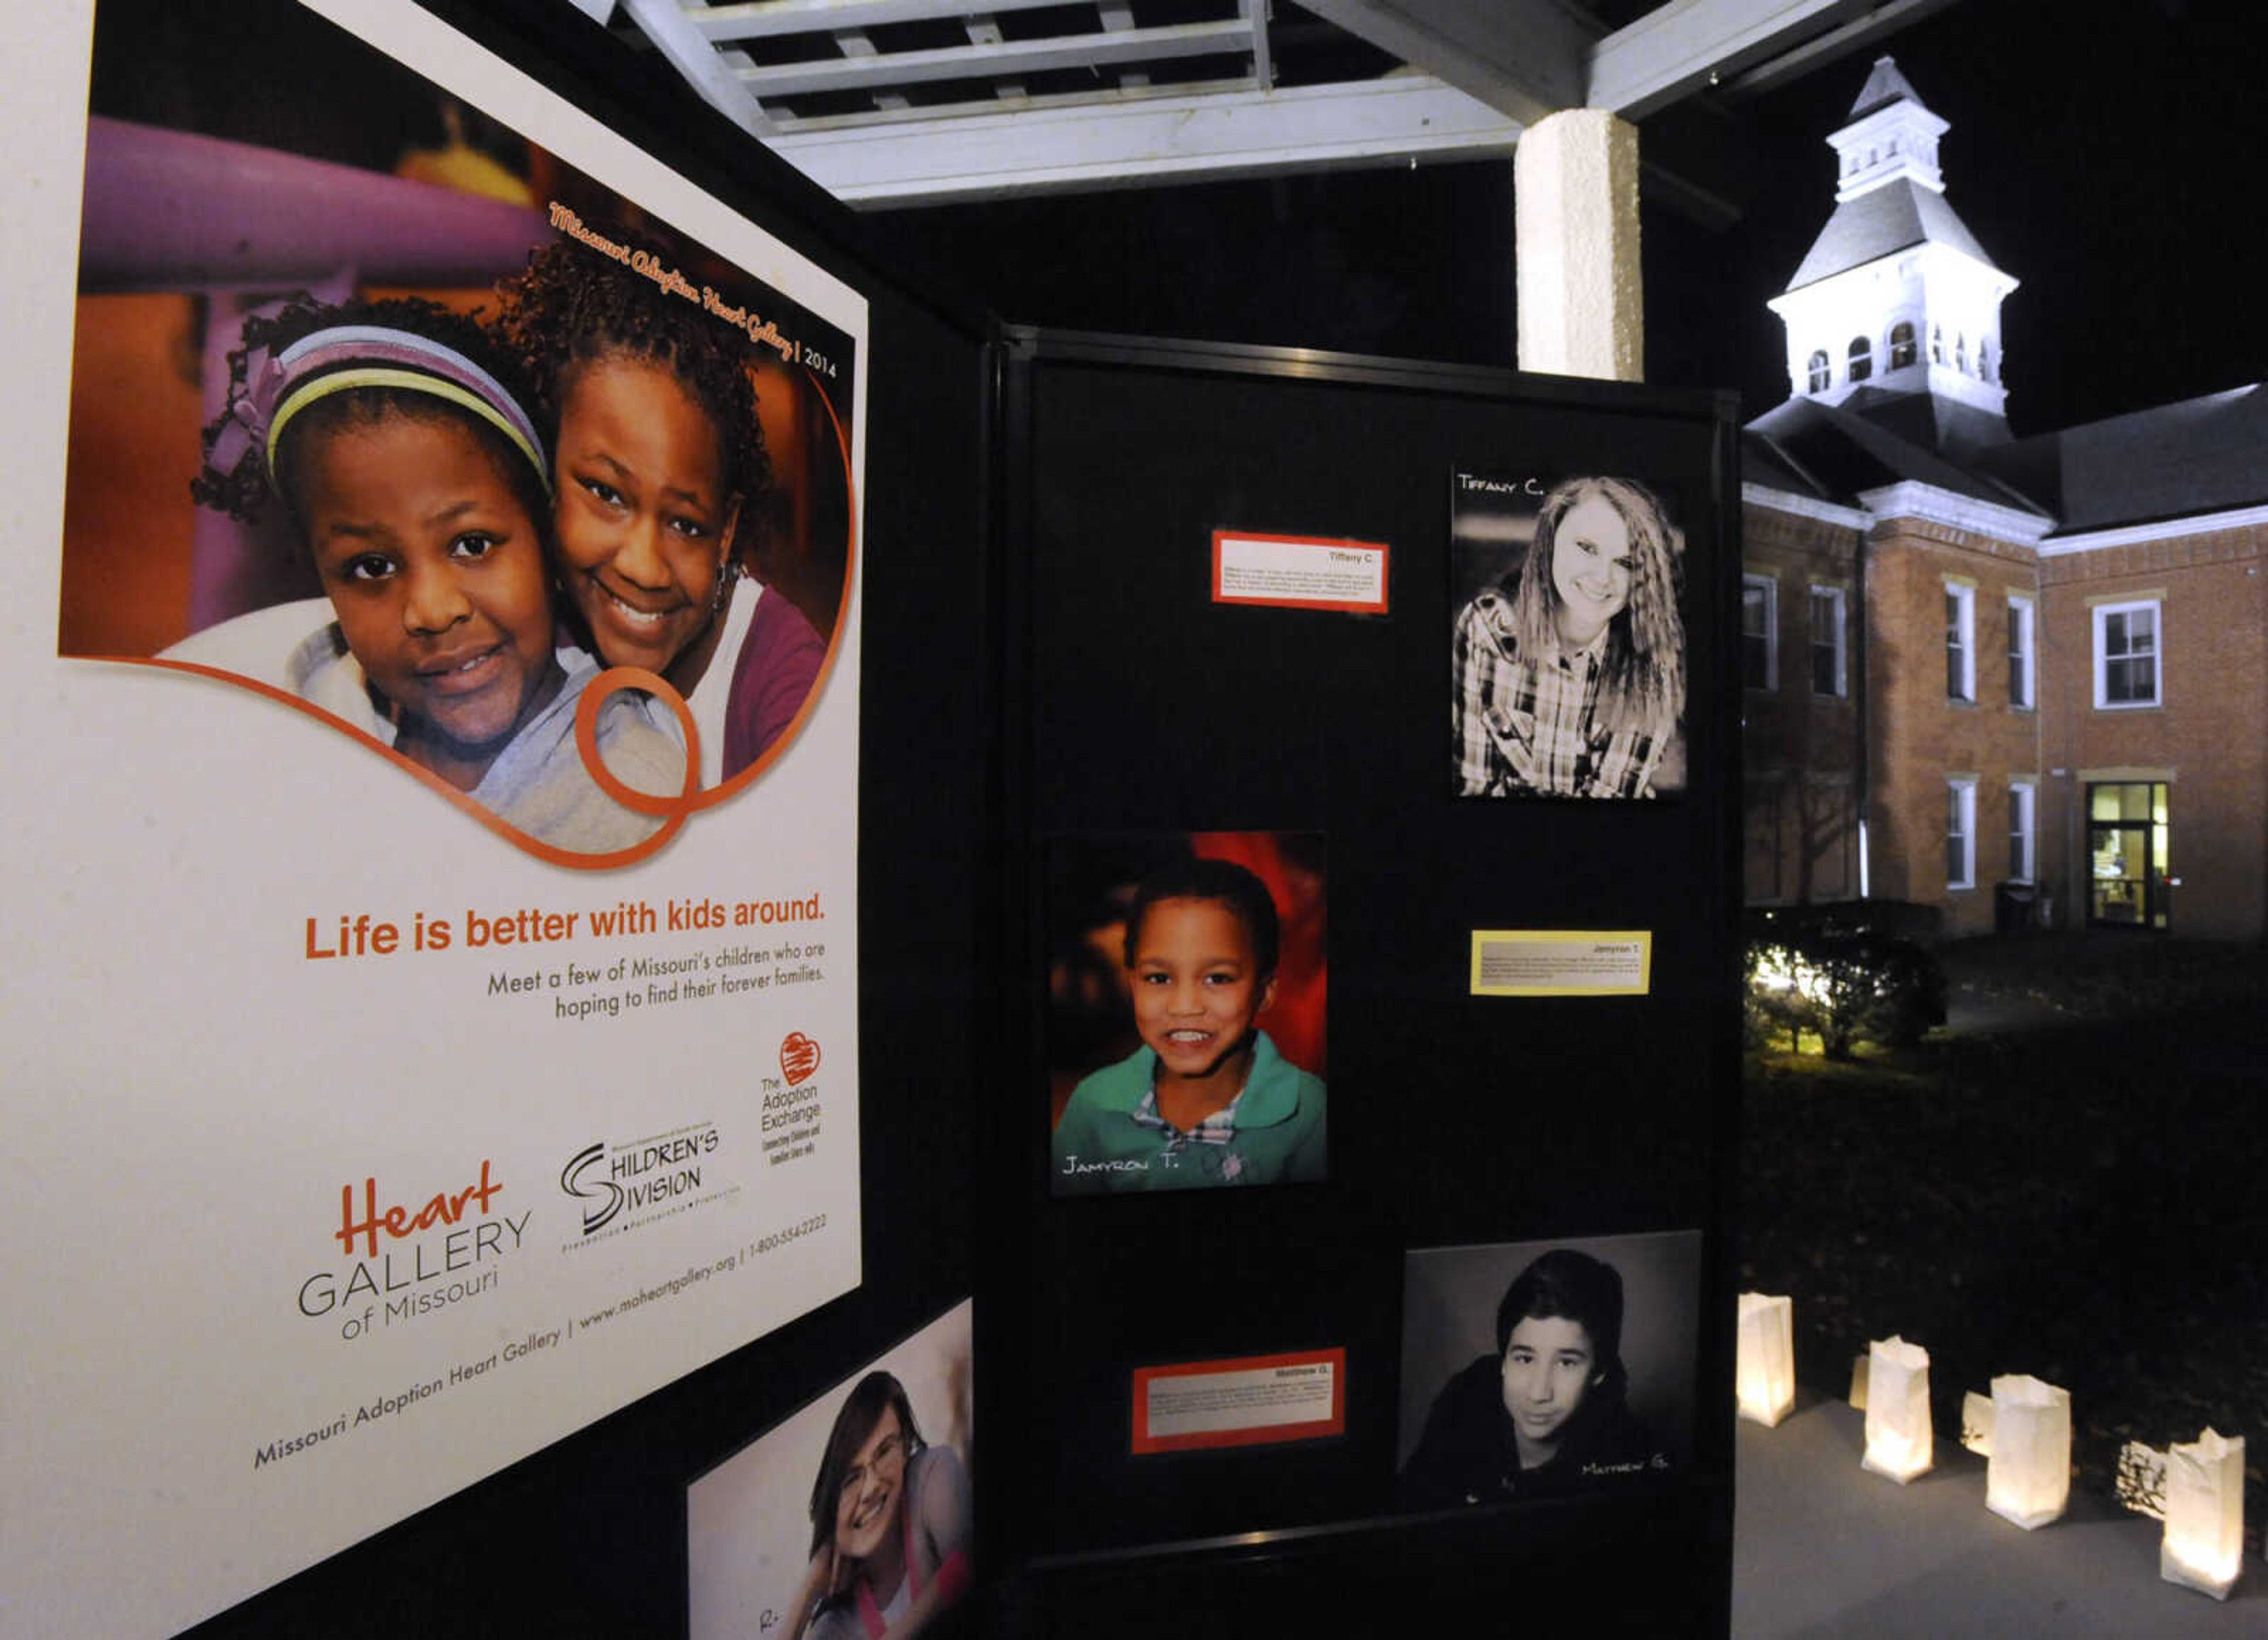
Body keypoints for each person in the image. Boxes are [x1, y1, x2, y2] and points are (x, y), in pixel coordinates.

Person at [173, 295, 681, 851]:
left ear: (548, 531)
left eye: (472, 544)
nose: (433, 610)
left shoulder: (633, 801)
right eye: (372, 567)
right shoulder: (298, 726)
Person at [494, 243, 827, 788]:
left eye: (686, 524)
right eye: (607, 493)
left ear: (726, 535)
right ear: (545, 472)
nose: (644, 567)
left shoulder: (783, 679)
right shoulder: (532, 618)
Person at [1051, 858, 1327, 1193]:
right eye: (1159, 978)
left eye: (1218, 978)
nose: (1185, 1007)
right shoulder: (1094, 1105)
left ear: (1265, 992)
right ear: (1134, 984)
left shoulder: (1309, 1112)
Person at [1452, 475, 1685, 799]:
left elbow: (1613, 802)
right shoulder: (1489, 629)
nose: (1603, 578)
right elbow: (1473, 787)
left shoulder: (1653, 662)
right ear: (1550, 541)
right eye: (1587, 548)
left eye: (1626, 563)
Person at [1399, 1248, 1657, 1509]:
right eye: (1524, 1358)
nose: (1538, 1393)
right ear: (1504, 1361)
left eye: (1566, 1362)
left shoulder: (1631, 1452)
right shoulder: (1463, 1402)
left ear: (1599, 1372)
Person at [787, 1372, 972, 1640]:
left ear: (906, 1443)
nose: (872, 1487)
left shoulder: (932, 1473)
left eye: (884, 1452)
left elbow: (966, 1560)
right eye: (852, 1478)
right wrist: (809, 1588)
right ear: (832, 1508)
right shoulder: (836, 1625)